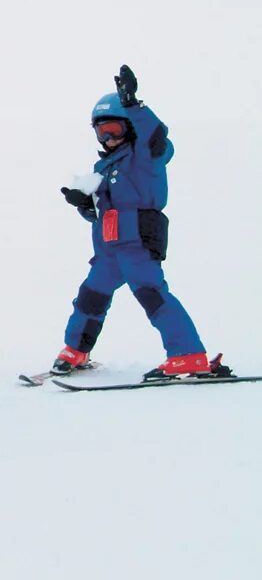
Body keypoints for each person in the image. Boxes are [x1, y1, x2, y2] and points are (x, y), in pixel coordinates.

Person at [49, 66, 229, 381]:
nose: (108, 138)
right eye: (102, 132)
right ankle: (76, 349)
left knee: (152, 295)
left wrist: (135, 106)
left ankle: (187, 355)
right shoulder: (102, 167)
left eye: (115, 129)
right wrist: (83, 204)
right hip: (108, 249)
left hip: (138, 243)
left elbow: (155, 134)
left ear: (130, 129)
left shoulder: (144, 156)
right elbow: (99, 212)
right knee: (90, 296)